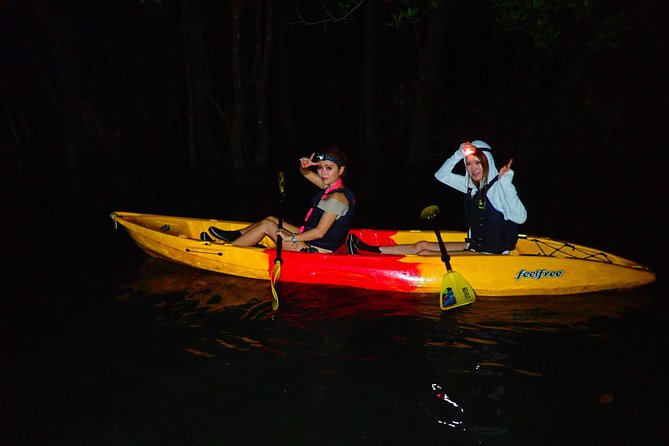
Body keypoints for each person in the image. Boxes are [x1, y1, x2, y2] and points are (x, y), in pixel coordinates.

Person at [347, 140, 526, 255]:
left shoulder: (500, 188)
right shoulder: (471, 186)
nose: (473, 168)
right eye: (469, 163)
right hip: (473, 246)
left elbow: (520, 217)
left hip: (491, 256)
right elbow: (441, 175)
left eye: (478, 162)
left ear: (487, 162)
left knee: (425, 253)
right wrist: (459, 153)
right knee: (421, 244)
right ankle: (370, 250)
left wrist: (507, 184)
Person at [208, 146, 355, 253]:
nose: (323, 173)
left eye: (329, 168)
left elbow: (319, 233)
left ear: (340, 170)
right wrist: (305, 167)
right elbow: (305, 174)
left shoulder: (337, 198)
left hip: (315, 250)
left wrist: (290, 238)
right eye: (320, 167)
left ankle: (226, 251)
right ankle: (235, 236)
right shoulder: (330, 186)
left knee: (267, 226)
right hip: (311, 239)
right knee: (271, 219)